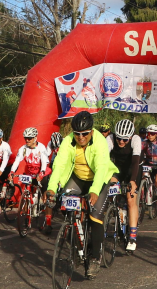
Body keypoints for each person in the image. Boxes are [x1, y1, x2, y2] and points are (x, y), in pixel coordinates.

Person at [46, 111, 120, 279]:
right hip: (78, 178)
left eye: (85, 134)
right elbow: (59, 164)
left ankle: (94, 257)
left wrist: (94, 190)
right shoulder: (68, 141)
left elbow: (101, 167)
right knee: (65, 205)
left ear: (91, 132)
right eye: (78, 134)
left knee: (94, 216)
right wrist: (51, 188)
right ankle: (76, 242)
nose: (81, 137)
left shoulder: (100, 141)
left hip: (99, 180)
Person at [109, 118, 142, 252]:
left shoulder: (136, 139)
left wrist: (133, 181)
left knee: (130, 199)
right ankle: (116, 209)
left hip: (133, 168)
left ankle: (133, 236)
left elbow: (135, 163)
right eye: (119, 139)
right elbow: (103, 158)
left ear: (130, 137)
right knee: (110, 187)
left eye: (125, 140)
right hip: (118, 168)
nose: (121, 142)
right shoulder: (110, 138)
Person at [10, 127, 50, 209]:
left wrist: (42, 173)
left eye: (29, 138)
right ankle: (26, 214)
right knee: (27, 193)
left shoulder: (41, 147)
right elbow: (17, 161)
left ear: (35, 138)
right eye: (25, 138)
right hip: (29, 173)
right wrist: (12, 171)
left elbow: (44, 162)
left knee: (44, 190)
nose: (27, 140)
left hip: (40, 171)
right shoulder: (23, 149)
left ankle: (47, 211)